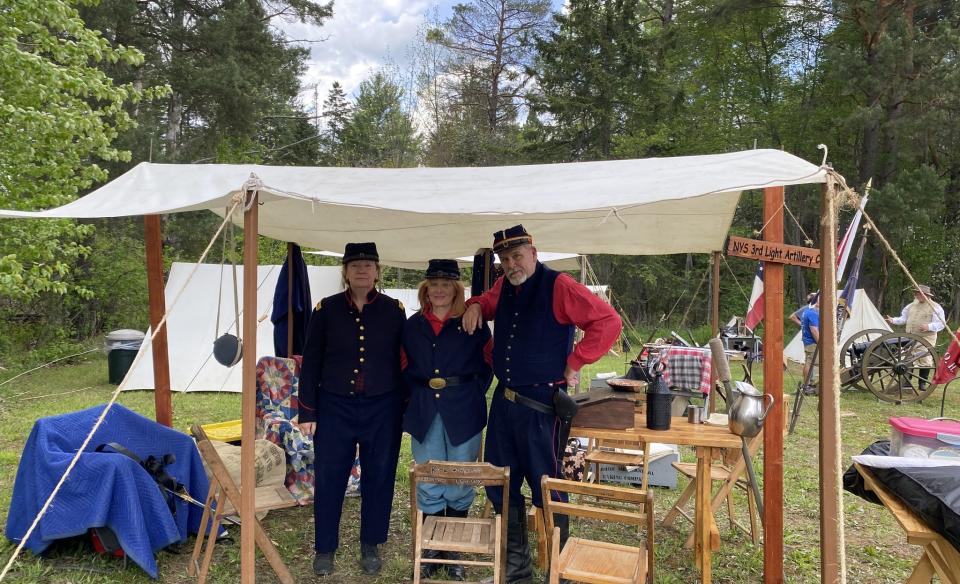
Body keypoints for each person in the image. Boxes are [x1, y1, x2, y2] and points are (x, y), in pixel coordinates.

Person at [462, 225, 622, 584]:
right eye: (505, 259)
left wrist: (577, 360)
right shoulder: (505, 284)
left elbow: (607, 321)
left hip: (540, 408)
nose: (511, 264)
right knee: (500, 484)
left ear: (534, 253)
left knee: (547, 487)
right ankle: (517, 571)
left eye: (517, 256)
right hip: (503, 404)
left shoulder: (559, 285)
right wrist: (474, 304)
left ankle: (558, 572)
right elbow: (489, 300)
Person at [297, 242, 406, 577]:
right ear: (345, 272)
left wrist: (403, 410)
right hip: (334, 407)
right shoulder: (325, 309)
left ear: (377, 271)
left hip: (382, 408)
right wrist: (307, 412)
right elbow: (311, 361)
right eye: (355, 264)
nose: (362, 269)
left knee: (380, 476)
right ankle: (325, 549)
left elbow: (403, 362)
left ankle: (371, 544)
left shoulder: (394, 309)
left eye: (368, 264)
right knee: (330, 477)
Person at [402, 259, 493, 581]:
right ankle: (430, 548)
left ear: (456, 289)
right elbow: (402, 366)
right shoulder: (412, 325)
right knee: (429, 475)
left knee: (461, 478)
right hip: (424, 408)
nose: (439, 290)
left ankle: (452, 546)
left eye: (446, 285)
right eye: (433, 284)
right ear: (425, 288)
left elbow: (487, 365)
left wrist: (465, 394)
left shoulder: (473, 323)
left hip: (463, 409)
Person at [885, 284, 946, 389]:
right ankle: (907, 382)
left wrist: (929, 326)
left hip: (926, 338)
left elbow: (941, 324)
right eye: (916, 293)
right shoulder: (911, 305)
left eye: (917, 293)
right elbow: (904, 318)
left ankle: (922, 384)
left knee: (925, 359)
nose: (915, 295)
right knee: (908, 359)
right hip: (911, 337)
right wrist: (893, 320)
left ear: (925, 295)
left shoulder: (935, 307)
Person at [800, 295, 820, 395]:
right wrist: (821, 343)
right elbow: (814, 330)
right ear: (815, 301)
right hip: (812, 342)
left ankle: (807, 384)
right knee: (812, 363)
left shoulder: (806, 311)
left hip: (807, 341)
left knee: (808, 362)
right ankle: (807, 385)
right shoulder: (812, 313)